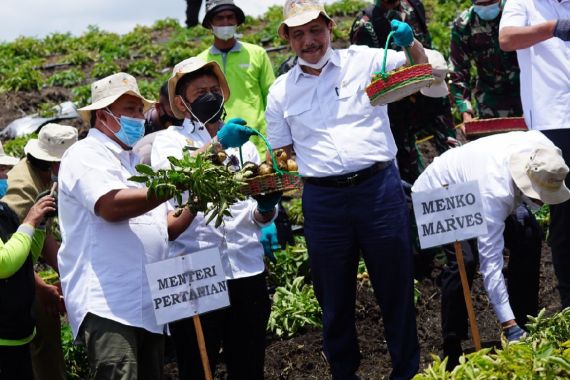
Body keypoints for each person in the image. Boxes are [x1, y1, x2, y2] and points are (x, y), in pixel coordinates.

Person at [265, 1, 428, 378]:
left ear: (331, 28)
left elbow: (420, 71)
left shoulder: (365, 60)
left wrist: (410, 42)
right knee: (333, 295)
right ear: (288, 39)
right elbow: (280, 153)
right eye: (299, 33)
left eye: (315, 30)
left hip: (378, 189)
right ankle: (344, 372)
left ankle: (407, 371)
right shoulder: (280, 93)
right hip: (323, 200)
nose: (309, 41)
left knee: (395, 287)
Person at [57, 72, 253, 379]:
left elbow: (169, 226)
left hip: (147, 305)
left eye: (139, 110)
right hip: (109, 304)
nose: (138, 117)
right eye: (128, 111)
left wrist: (199, 194)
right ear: (101, 115)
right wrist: (192, 169)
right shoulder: (84, 154)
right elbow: (111, 206)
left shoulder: (134, 162)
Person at [151, 57, 279, 380]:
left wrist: (266, 209)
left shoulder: (244, 146)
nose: (209, 96)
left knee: (249, 366)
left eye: (213, 89)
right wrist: (218, 144)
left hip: (246, 268)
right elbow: (176, 174)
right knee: (197, 368)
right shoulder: (170, 141)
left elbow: (251, 215)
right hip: (195, 272)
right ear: (181, 102)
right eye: (200, 91)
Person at [412, 131, 570, 367]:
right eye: (539, 196)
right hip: (441, 187)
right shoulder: (495, 194)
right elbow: (491, 264)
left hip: (481, 176)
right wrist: (507, 324)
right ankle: (453, 344)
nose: (543, 201)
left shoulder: (547, 153)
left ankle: (525, 321)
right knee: (463, 260)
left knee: (529, 234)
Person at [499, 0, 570, 309]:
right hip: (553, 121)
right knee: (566, 215)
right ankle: (568, 301)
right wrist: (551, 28)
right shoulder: (523, 2)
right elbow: (507, 39)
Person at [349, 0, 457, 184]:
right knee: (410, 170)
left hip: (430, 93)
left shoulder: (413, 7)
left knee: (453, 154)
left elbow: (427, 44)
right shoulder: (365, 25)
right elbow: (363, 72)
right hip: (398, 107)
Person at [1, 123, 77, 380]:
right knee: (41, 333)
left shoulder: (42, 179)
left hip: (18, 277)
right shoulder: (21, 190)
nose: (5, 176)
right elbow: (10, 252)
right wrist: (41, 287)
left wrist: (66, 273)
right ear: (55, 165)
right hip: (11, 291)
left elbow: (39, 238)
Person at [198, 0, 275, 136]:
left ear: (237, 21)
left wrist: (273, 137)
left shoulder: (257, 54)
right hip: (218, 140)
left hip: (255, 137)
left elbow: (271, 98)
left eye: (230, 17)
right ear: (210, 23)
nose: (226, 22)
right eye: (219, 18)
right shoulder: (200, 62)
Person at [0, 195, 56, 380]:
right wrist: (30, 220)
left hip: (18, 335)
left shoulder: (4, 211)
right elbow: (4, 264)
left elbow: (24, 257)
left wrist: (38, 225)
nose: (6, 176)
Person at [449, 0, 522, 125]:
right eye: (481, 4)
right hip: (490, 99)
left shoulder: (517, 14)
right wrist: (465, 111)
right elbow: (458, 70)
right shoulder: (464, 25)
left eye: (490, 2)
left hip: (524, 91)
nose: (486, 7)